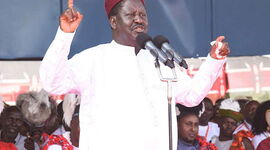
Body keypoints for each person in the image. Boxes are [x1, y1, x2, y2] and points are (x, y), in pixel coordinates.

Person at [39, 0, 230, 149]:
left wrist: (213, 61)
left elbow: (192, 96)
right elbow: (52, 83)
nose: (139, 19)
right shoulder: (93, 59)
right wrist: (64, 35)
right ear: (113, 21)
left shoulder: (161, 60)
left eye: (142, 14)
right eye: (131, 14)